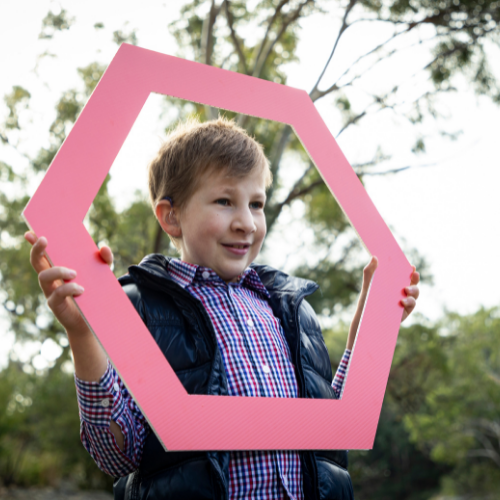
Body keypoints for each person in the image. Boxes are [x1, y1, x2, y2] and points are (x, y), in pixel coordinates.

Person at [25, 117, 420, 500]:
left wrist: (367, 332)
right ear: (171, 216)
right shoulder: (140, 307)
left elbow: (332, 434)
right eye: (225, 201)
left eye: (257, 204)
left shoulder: (292, 310)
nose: (246, 223)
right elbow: (117, 455)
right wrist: (81, 334)